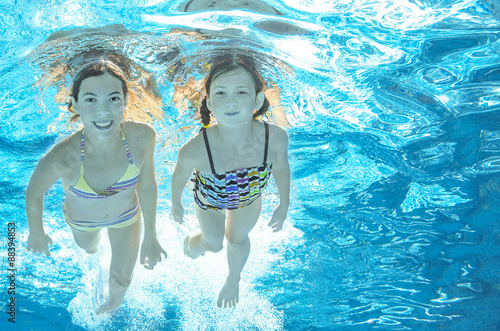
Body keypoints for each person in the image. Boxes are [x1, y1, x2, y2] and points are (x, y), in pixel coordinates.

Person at [26, 60, 167, 314]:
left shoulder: (142, 137)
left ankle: (108, 309)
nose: (103, 110)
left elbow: (147, 186)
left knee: (122, 281)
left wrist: (151, 236)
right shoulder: (63, 156)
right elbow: (34, 192)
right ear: (76, 104)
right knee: (89, 248)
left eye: (113, 99)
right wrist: (36, 233)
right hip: (83, 222)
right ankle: (85, 236)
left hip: (126, 216)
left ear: (126, 100)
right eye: (91, 100)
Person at [171, 53, 290, 308]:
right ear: (210, 102)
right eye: (221, 93)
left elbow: (281, 167)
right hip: (210, 200)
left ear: (258, 100)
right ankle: (191, 245)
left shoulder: (275, 138)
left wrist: (284, 204)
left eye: (242, 93)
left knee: (236, 239)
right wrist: (175, 204)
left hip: (248, 198)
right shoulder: (196, 149)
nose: (231, 101)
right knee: (213, 244)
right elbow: (179, 176)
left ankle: (233, 278)